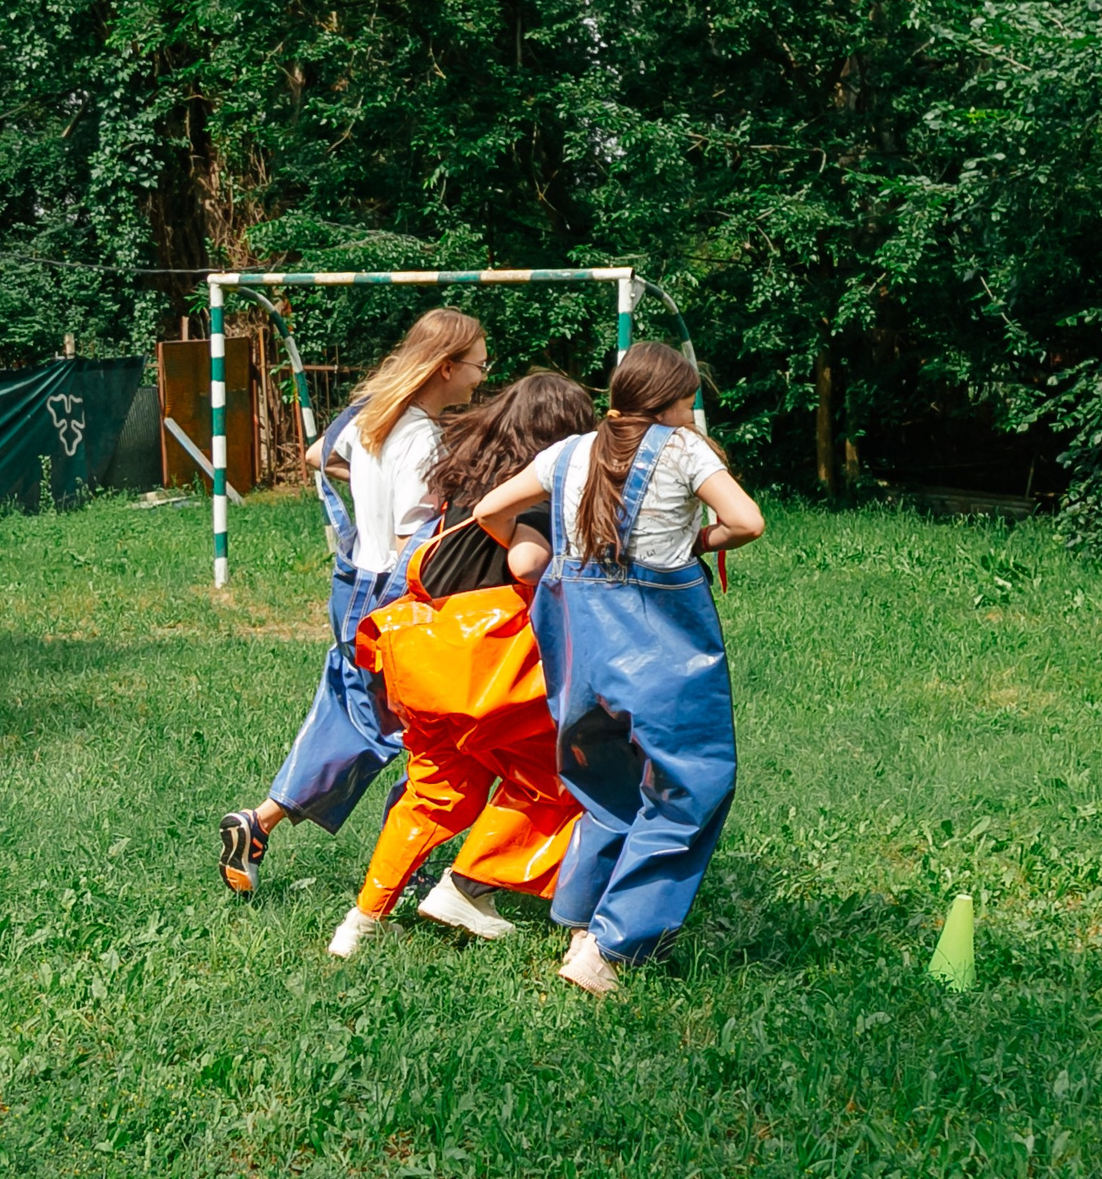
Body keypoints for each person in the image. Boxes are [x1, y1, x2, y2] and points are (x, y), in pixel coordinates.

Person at [472, 342, 765, 995]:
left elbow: (488, 512)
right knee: (691, 786)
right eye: (689, 400)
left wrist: (551, 566)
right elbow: (747, 521)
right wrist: (700, 540)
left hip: (581, 650)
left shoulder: (569, 452)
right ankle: (609, 944)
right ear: (669, 401)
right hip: (662, 649)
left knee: (605, 788)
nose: (692, 412)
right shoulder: (683, 448)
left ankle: (581, 920)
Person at [327, 372, 597, 958]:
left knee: (435, 794)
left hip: (424, 669)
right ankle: (467, 884)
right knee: (561, 783)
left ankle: (362, 923)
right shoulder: (528, 490)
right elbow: (526, 564)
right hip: (486, 676)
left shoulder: (466, 475)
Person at [218, 308, 488, 894]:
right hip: (394, 599)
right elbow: (408, 544)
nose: (481, 378)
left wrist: (367, 482)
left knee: (349, 714)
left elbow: (318, 456)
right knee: (427, 734)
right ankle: (409, 865)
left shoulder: (372, 418)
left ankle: (259, 823)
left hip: (350, 588)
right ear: (446, 368)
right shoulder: (422, 440)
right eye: (477, 365)